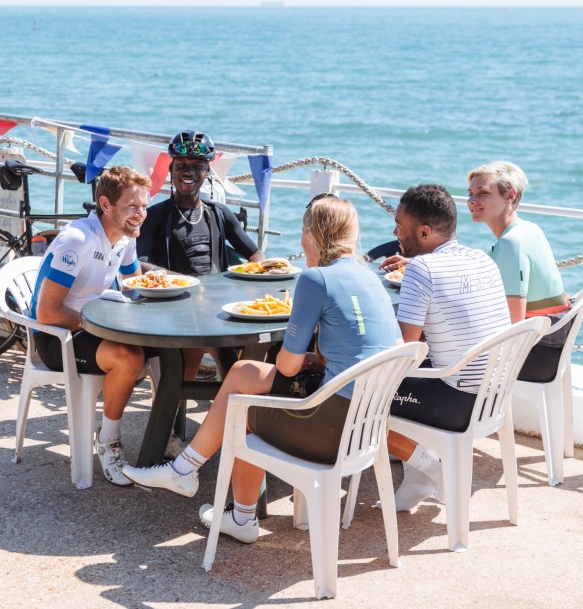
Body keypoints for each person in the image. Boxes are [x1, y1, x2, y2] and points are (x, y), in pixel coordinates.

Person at [121, 195, 401, 544]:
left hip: (330, 430)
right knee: (242, 373)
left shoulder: (316, 279)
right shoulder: (369, 276)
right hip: (366, 424)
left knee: (243, 409)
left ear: (313, 235)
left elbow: (286, 366)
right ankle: (187, 473)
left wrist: (300, 351)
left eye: (303, 231)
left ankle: (228, 506)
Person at [385, 184, 512, 510]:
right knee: (414, 372)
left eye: (400, 225)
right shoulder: (482, 258)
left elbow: (403, 351)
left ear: (424, 231)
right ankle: (417, 481)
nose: (395, 231)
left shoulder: (420, 269)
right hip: (494, 396)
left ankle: (433, 470)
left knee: (360, 398)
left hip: (458, 403)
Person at [30, 165, 153, 487]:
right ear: (105, 204)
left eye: (144, 206)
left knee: (175, 351)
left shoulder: (125, 237)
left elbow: (134, 285)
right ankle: (109, 440)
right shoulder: (78, 240)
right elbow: (48, 312)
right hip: (56, 336)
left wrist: (166, 284)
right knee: (129, 358)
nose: (140, 214)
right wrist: (102, 326)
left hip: (94, 327)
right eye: (131, 207)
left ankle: (161, 432)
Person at [137, 130, 265, 380]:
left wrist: (259, 275)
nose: (189, 172)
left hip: (217, 305)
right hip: (175, 304)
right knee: (202, 355)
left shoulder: (219, 213)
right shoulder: (155, 216)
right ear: (171, 170)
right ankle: (181, 404)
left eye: (197, 166)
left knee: (259, 343)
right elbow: (139, 264)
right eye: (182, 165)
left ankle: (237, 401)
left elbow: (255, 253)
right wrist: (184, 282)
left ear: (207, 172)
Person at [467, 161, 571, 382]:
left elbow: (513, 324)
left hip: (534, 353)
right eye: (470, 193)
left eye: (483, 193)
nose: (472, 201)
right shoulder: (528, 229)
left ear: (510, 196)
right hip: (550, 343)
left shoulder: (510, 243)